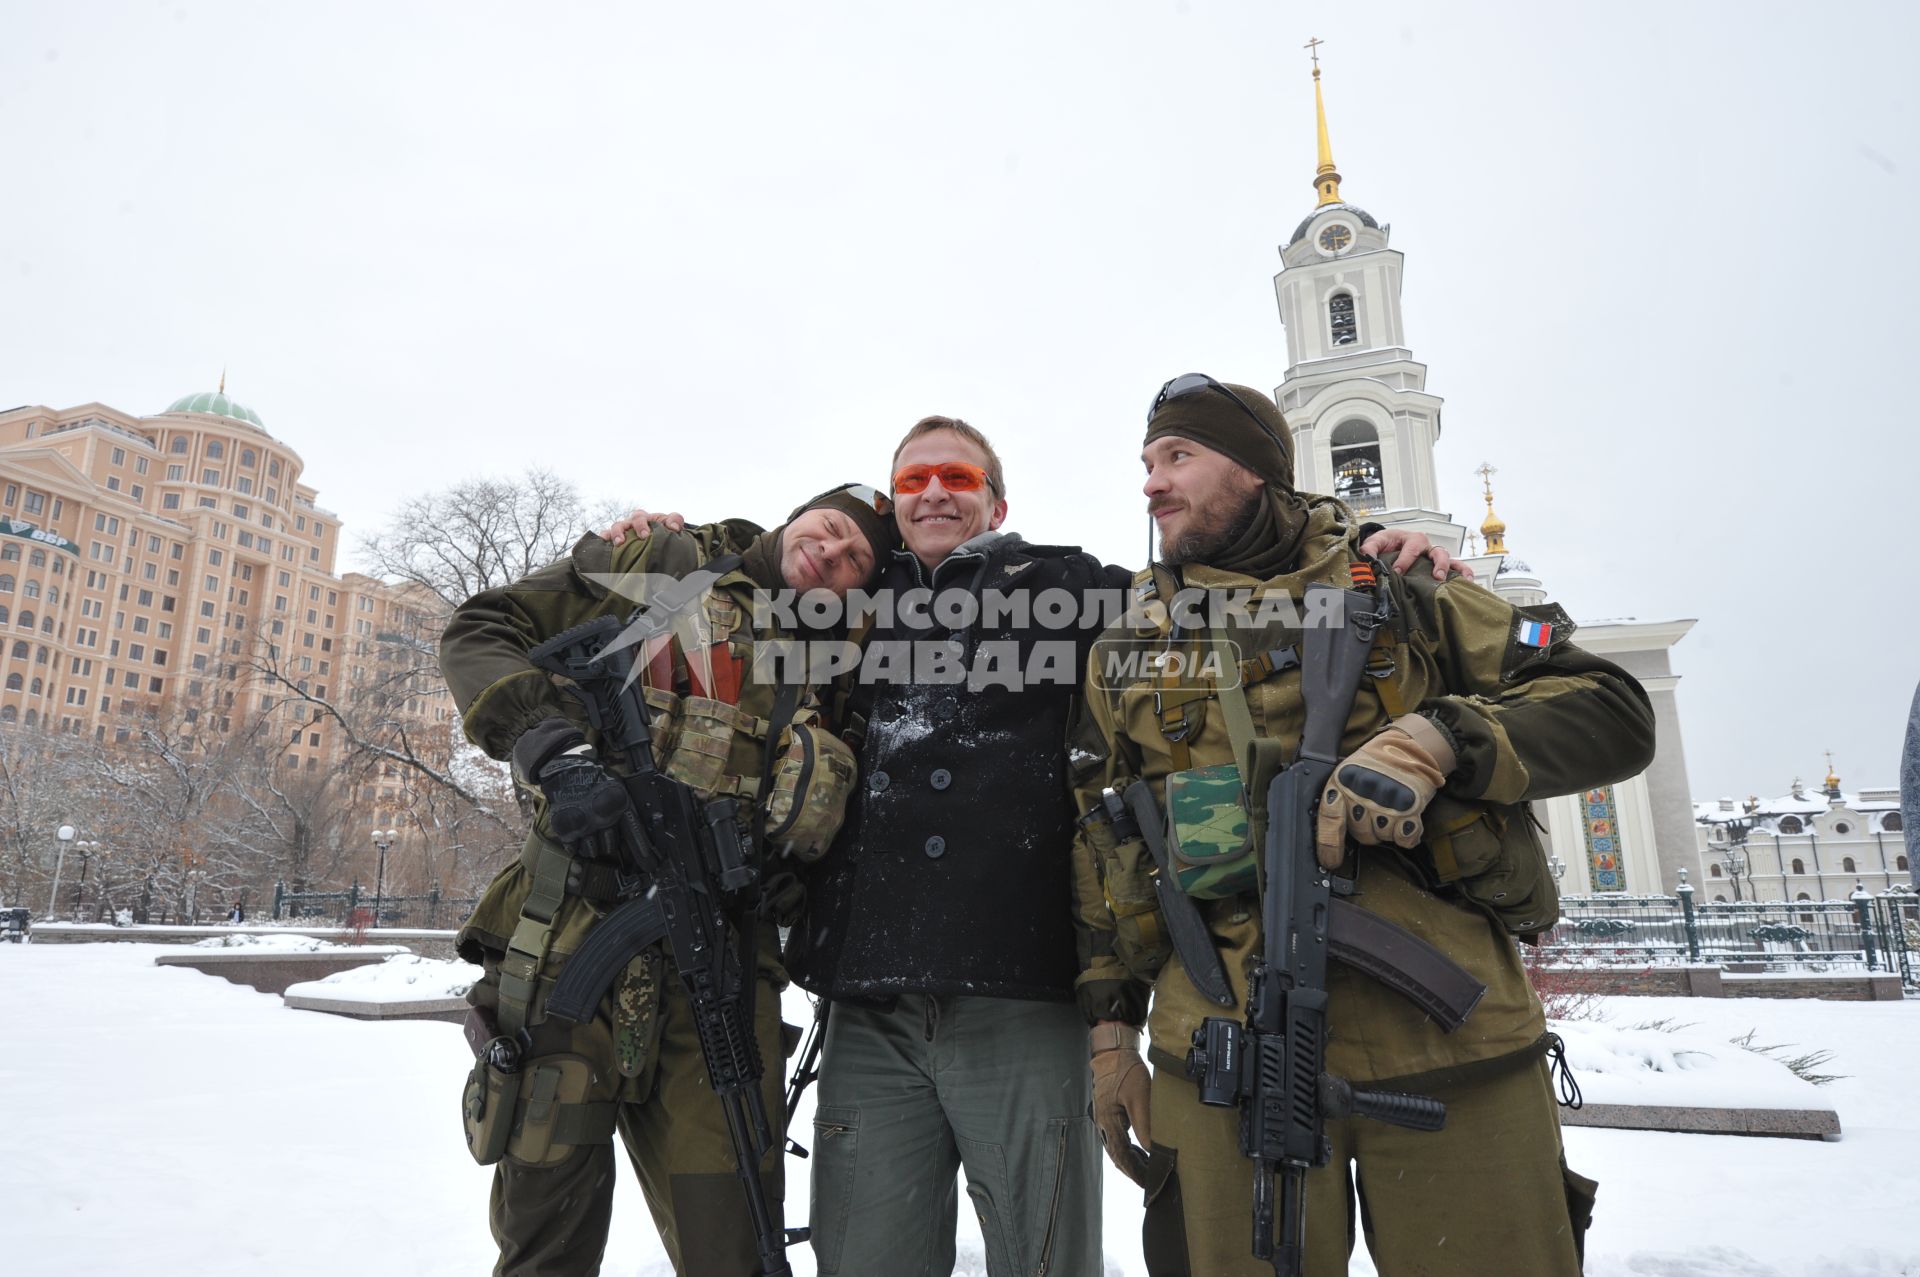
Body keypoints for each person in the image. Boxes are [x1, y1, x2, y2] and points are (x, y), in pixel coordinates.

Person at [607, 427, 1466, 1277]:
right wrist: (669, 540)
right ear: (892, 503)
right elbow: (746, 582)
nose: (934, 491)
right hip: (870, 1008)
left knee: (1045, 1257)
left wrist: (1356, 545)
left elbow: (1223, 589)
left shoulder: (1071, 586)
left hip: (1020, 997)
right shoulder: (837, 605)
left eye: (957, 475)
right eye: (914, 479)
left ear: (997, 501)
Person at [1068, 375, 1656, 1276]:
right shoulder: (1125, 643)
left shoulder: (1403, 584)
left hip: (1449, 1048)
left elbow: (1611, 705)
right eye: (1147, 461)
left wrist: (1443, 738)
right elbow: (1103, 839)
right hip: (1221, 1054)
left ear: (1258, 470)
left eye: (1179, 455)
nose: (1152, 481)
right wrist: (1110, 1032)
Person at [440, 484, 892, 1277]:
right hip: (570, 947)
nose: (831, 555)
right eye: (829, 529)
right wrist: (554, 752)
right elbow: (483, 628)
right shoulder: (664, 563)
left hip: (719, 971)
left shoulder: (840, 663)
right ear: (797, 517)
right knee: (544, 1244)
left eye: (856, 558)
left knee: (735, 1244)